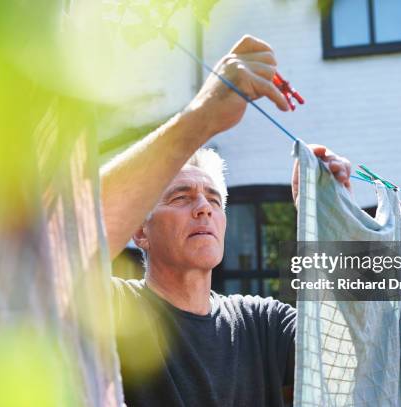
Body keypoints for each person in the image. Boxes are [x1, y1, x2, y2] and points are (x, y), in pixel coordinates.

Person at [100, 35, 351, 406]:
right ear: (140, 230)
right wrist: (202, 116)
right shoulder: (113, 309)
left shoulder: (262, 323)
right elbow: (66, 243)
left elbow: (356, 345)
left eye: (214, 200)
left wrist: (331, 220)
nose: (203, 208)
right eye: (181, 197)